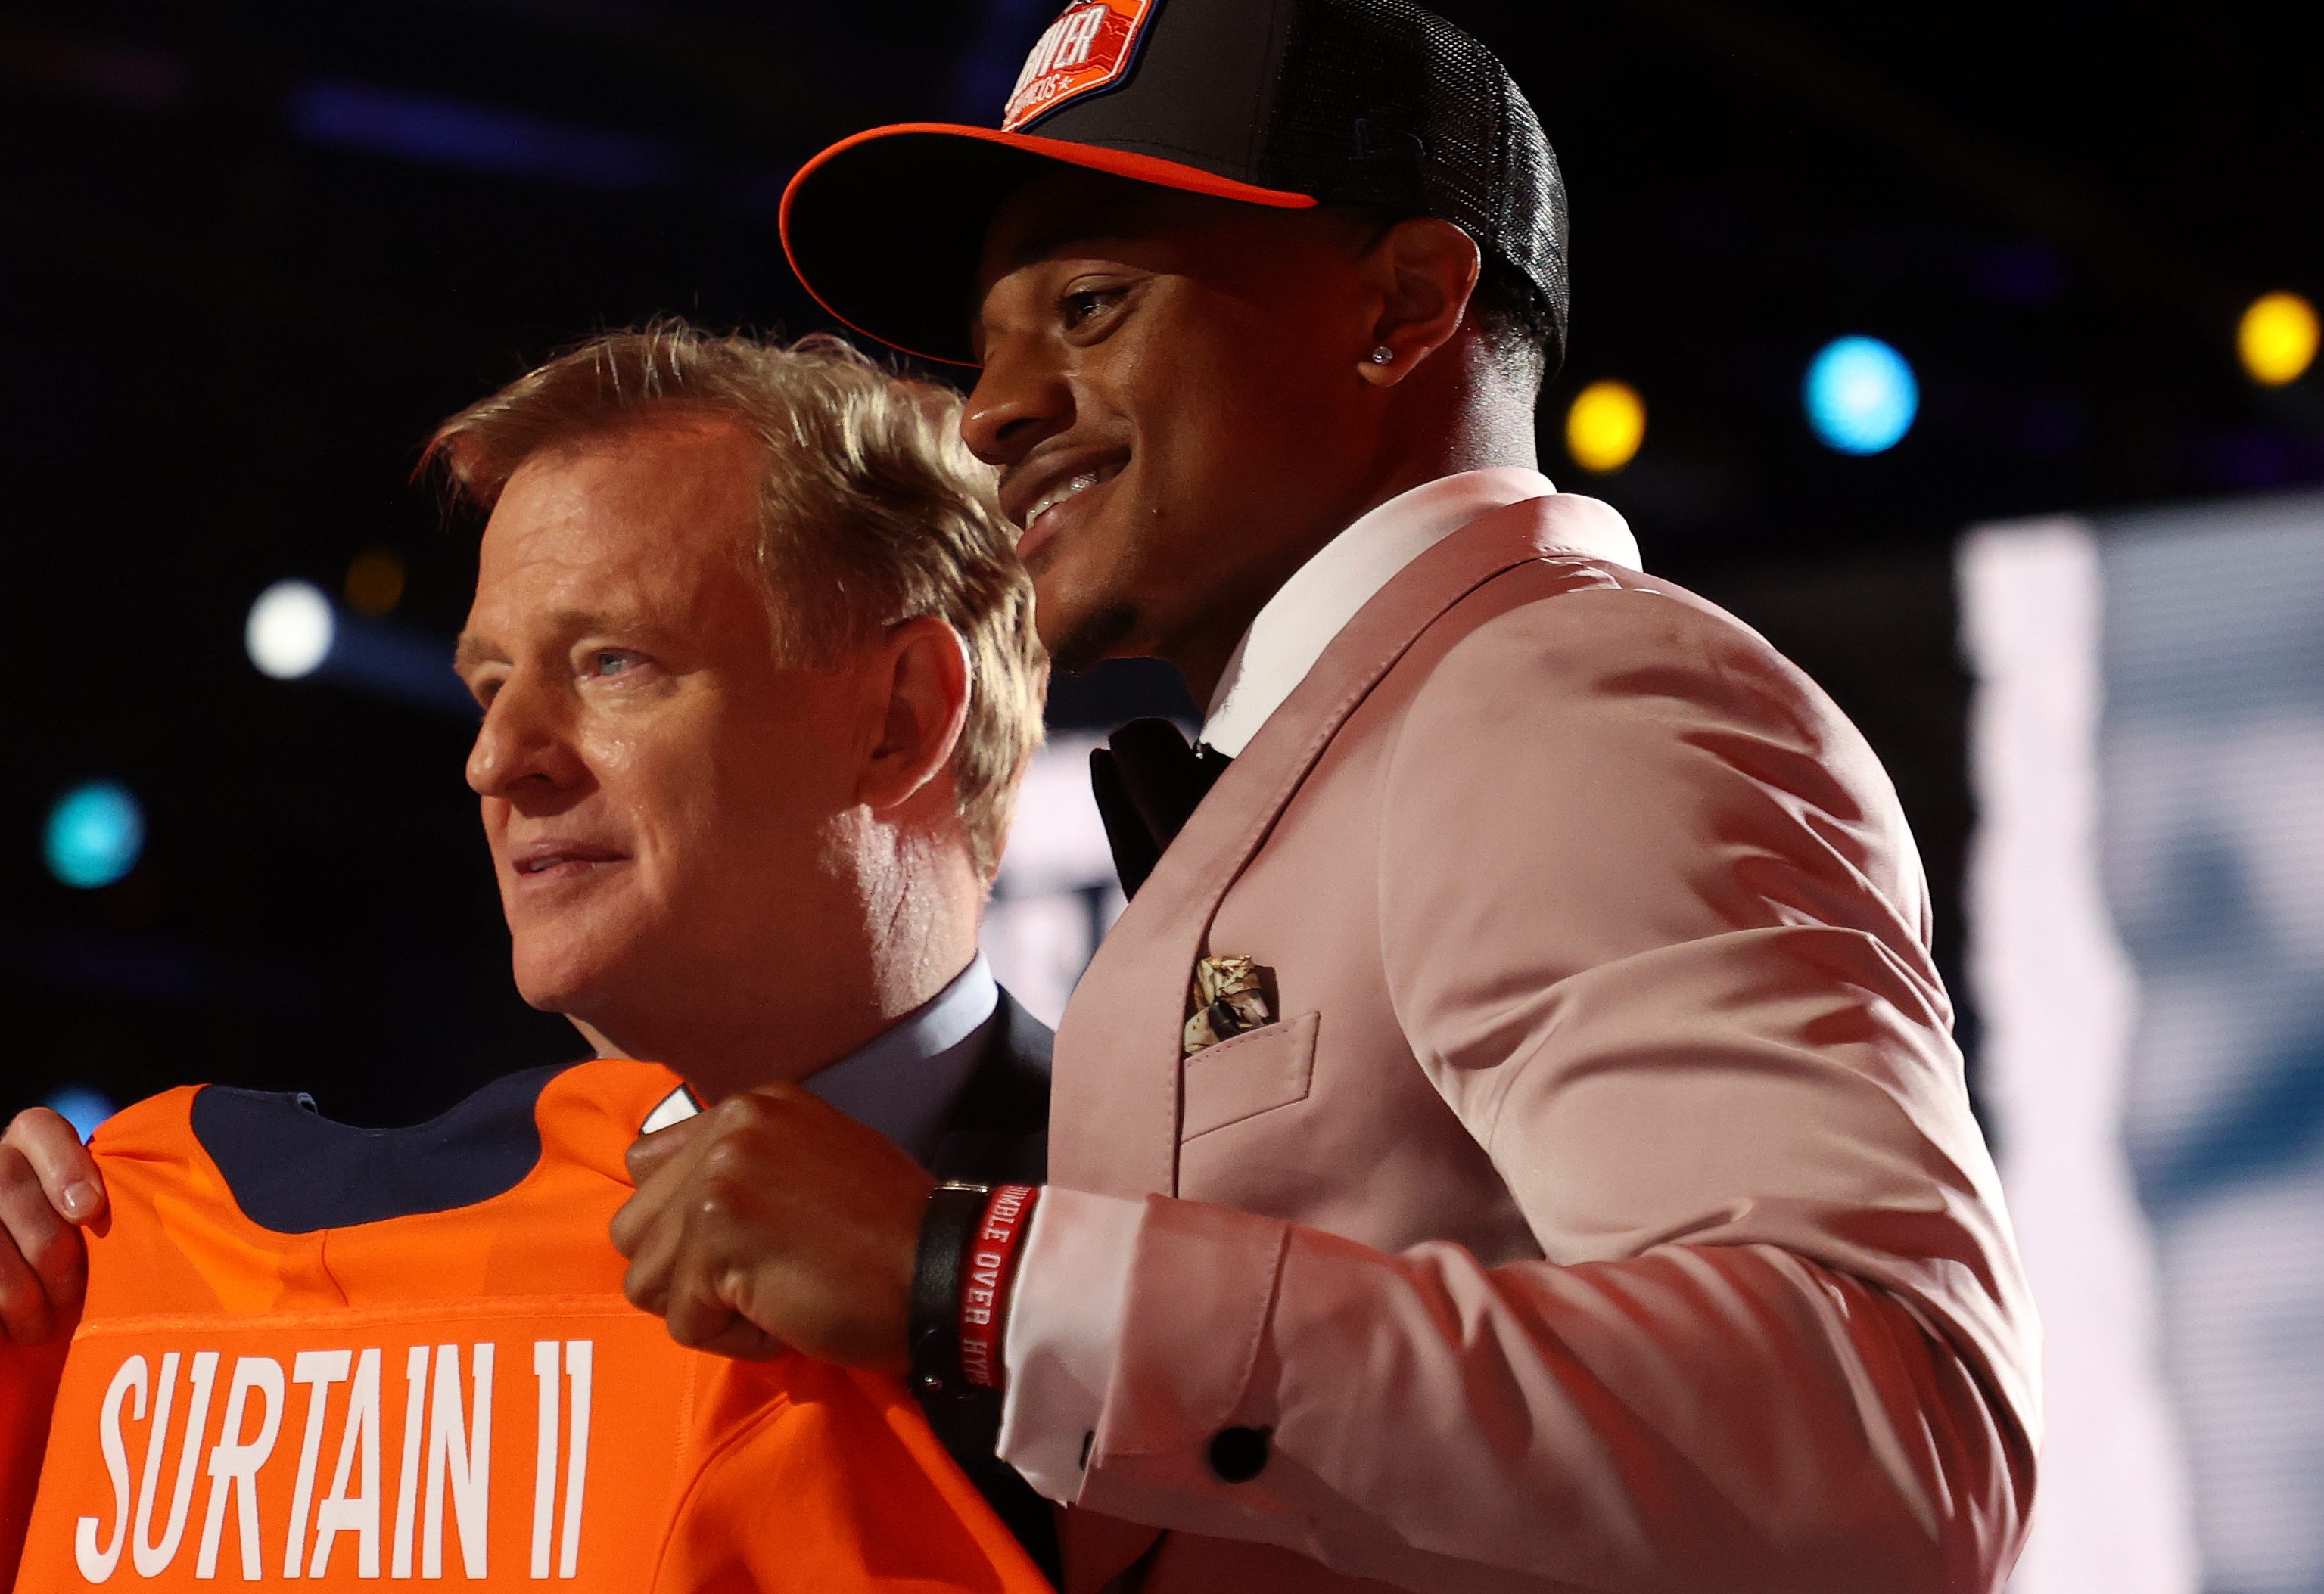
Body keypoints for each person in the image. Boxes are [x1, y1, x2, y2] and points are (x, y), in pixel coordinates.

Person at [608, 2, 2041, 1591]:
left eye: (1089, 304)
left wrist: (977, 1277)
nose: (991, 410)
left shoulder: (1560, 702)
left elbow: (1887, 1442)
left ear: (1405, 304)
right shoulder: (1390, 731)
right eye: (985, 346)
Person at [0, 324, 1062, 1580]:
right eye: (488, 683)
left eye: (612, 662)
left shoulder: (1170, 1238)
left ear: (900, 719)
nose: (498, 761)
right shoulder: (253, 1271)